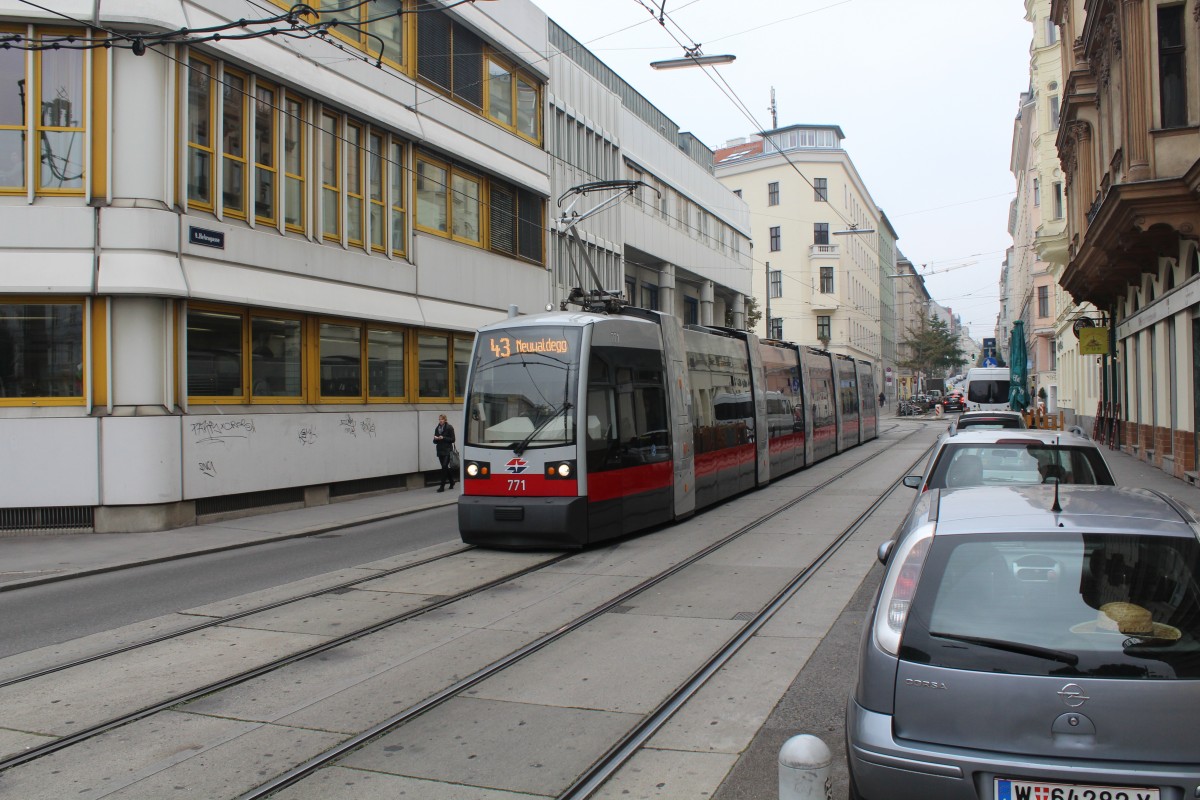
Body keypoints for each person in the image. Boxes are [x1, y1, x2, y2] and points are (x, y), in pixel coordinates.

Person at [433, 413, 456, 492]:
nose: (440, 421)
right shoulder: (437, 428)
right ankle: (452, 482)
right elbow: (434, 442)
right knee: (445, 467)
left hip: (447, 450)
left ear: (445, 420)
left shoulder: (449, 427)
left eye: (442, 419)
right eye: (439, 419)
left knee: (444, 467)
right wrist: (436, 438)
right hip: (440, 450)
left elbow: (453, 439)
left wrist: (443, 437)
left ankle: (442, 486)